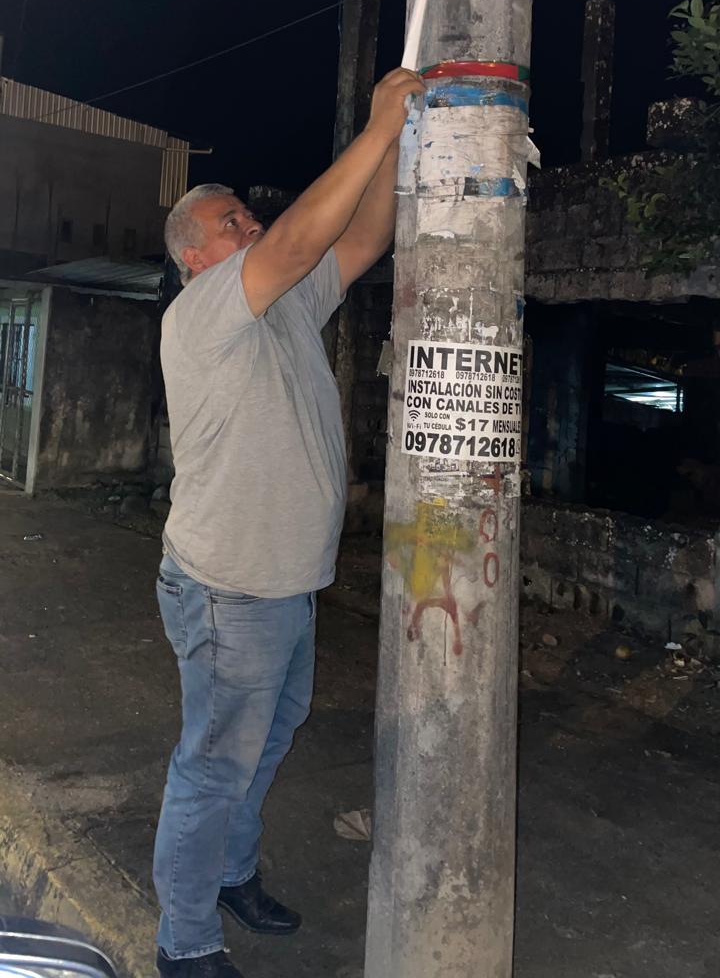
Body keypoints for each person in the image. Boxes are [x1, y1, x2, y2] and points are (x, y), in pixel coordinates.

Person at [154, 66, 425, 978]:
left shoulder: (282, 307)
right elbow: (306, 237)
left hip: (286, 584)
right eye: (233, 222)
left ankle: (231, 874)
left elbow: (365, 236)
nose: (253, 226)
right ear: (197, 254)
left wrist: (392, 144)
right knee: (213, 765)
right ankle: (184, 941)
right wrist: (375, 124)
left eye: (248, 216)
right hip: (231, 589)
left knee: (267, 741)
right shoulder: (201, 312)